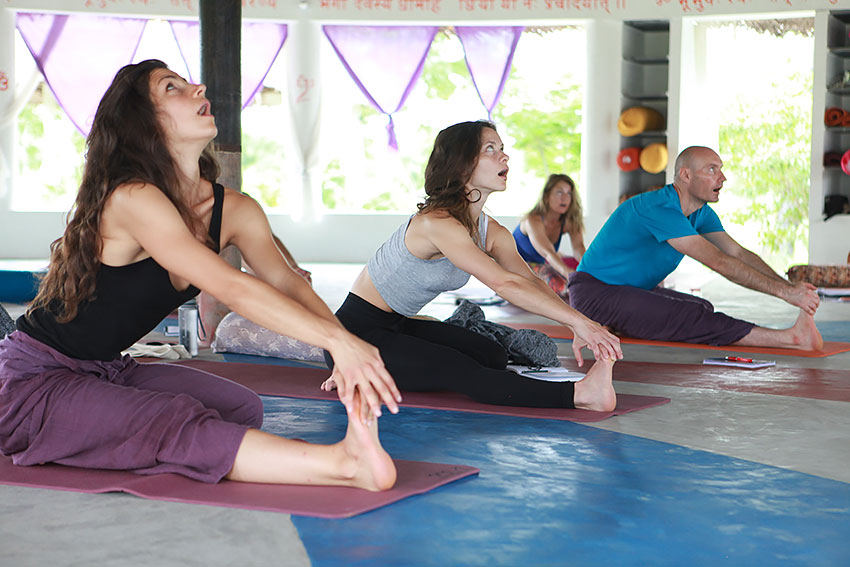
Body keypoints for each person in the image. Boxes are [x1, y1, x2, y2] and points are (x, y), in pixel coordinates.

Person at [0, 60, 401, 491]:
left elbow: (286, 281)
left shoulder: (236, 210)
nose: (199, 87)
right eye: (171, 87)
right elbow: (230, 285)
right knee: (170, 420)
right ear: (143, 122)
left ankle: (122, 431)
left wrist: (338, 349)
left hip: (108, 368)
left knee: (239, 407)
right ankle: (344, 465)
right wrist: (340, 342)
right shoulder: (132, 198)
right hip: (33, 380)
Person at [322, 120, 623, 412]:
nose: (504, 156)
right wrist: (582, 323)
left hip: (399, 324)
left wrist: (576, 323)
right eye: (490, 149)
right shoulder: (436, 224)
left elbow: (529, 281)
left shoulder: (490, 231)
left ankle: (394, 365)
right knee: (459, 368)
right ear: (462, 164)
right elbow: (505, 284)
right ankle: (581, 395)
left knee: (491, 354)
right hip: (355, 335)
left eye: (502, 148)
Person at [568, 145, 823, 351]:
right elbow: (719, 261)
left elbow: (736, 253)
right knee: (688, 316)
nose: (722, 177)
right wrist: (786, 294)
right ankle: (792, 339)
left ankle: (619, 324)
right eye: (712, 169)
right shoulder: (658, 208)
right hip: (594, 294)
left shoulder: (701, 213)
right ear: (686, 175)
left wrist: (789, 288)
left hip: (631, 291)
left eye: (721, 169)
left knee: (703, 307)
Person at [512, 174, 586, 300]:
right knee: (565, 286)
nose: (564, 198)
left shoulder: (569, 222)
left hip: (541, 266)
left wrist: (592, 271)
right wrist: (570, 274)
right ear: (547, 196)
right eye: (559, 192)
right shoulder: (533, 220)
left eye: (569, 193)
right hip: (516, 266)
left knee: (582, 281)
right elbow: (548, 253)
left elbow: (579, 249)